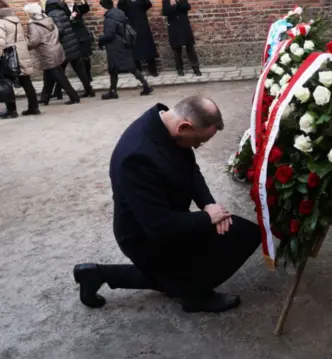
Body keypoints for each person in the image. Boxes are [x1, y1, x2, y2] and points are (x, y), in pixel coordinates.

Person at [73, 96, 261, 313]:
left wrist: (208, 204)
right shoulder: (137, 157)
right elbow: (159, 226)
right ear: (184, 126)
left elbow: (190, 171)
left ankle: (97, 274)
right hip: (145, 236)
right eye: (198, 141)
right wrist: (209, 217)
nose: (198, 147)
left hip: (168, 220)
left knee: (238, 232)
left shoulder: (165, 127)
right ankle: (195, 295)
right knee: (236, 236)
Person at [24, 2, 80, 105]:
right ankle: (45, 98)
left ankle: (74, 96)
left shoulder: (33, 25)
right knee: (48, 76)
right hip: (55, 48)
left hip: (47, 53)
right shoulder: (47, 19)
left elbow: (33, 41)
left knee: (60, 77)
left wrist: (24, 42)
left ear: (31, 13)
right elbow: (57, 32)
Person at [97, 0, 153, 100]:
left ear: (104, 6)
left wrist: (100, 40)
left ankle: (146, 86)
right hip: (123, 44)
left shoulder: (110, 18)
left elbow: (110, 34)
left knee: (128, 68)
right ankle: (113, 91)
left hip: (115, 47)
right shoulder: (119, 13)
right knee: (115, 69)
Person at [44, 0, 94, 98]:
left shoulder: (54, 14)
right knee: (74, 70)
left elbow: (60, 30)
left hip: (66, 45)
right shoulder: (63, 11)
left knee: (60, 71)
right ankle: (88, 90)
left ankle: (62, 93)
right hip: (72, 43)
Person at [0, 0, 39, 118]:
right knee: (26, 82)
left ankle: (11, 110)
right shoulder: (16, 20)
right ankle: (34, 107)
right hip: (21, 54)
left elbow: (0, 42)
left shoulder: (1, 22)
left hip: (9, 57)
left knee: (7, 82)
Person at [117, 0, 159, 76]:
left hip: (143, 26)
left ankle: (152, 70)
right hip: (131, 26)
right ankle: (137, 70)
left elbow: (148, 4)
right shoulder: (124, 2)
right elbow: (120, 8)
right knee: (134, 50)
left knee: (148, 49)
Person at [162, 0, 201, 76]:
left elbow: (187, 7)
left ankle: (196, 68)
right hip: (173, 26)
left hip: (184, 25)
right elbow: (164, 12)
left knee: (190, 47)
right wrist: (172, 6)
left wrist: (177, 3)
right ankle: (180, 69)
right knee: (176, 49)